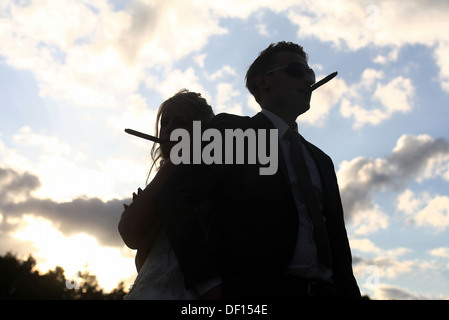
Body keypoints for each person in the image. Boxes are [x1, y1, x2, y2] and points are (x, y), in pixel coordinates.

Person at [155, 41, 361, 299]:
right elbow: (174, 197)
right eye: (297, 70)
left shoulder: (322, 160)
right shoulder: (233, 134)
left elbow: (339, 244)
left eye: (311, 73)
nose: (309, 79)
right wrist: (208, 283)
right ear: (264, 82)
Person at [118, 89, 214, 299]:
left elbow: (128, 228)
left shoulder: (211, 179)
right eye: (165, 122)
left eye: (181, 123)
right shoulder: (166, 178)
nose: (169, 129)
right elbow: (144, 263)